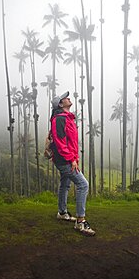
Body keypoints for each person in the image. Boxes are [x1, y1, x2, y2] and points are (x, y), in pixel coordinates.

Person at [50, 91, 95, 236]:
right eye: (66, 98)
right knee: (83, 184)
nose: (69, 98)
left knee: (65, 184)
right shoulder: (59, 119)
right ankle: (80, 222)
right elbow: (60, 142)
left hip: (67, 158)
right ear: (61, 104)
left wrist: (75, 157)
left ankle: (62, 212)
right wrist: (71, 159)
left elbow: (71, 142)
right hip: (64, 160)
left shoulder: (67, 118)